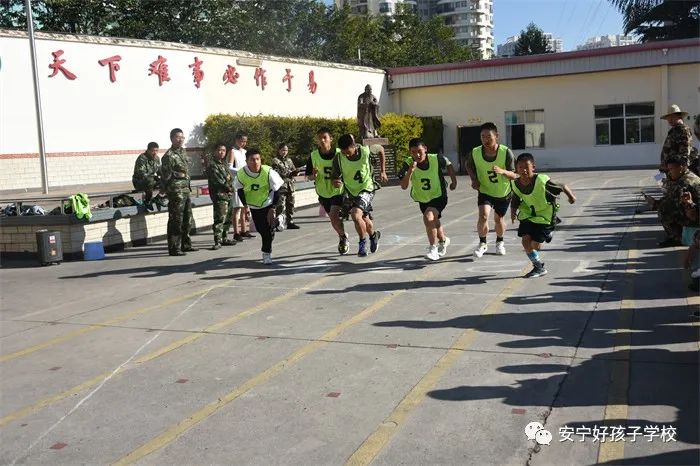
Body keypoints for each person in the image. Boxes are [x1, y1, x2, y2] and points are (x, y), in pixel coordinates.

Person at [498, 153, 576, 278]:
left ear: (533, 167)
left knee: (535, 245)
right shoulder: (515, 184)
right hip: (528, 214)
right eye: (520, 167)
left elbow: (562, 186)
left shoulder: (542, 181)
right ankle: (538, 267)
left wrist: (571, 197)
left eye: (526, 167)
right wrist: (513, 212)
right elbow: (516, 198)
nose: (523, 170)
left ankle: (549, 231)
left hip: (545, 216)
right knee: (525, 242)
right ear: (516, 169)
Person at [399, 138, 457, 260]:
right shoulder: (408, 163)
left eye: (419, 151)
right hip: (423, 199)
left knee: (428, 217)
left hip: (438, 196)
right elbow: (404, 186)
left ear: (425, 149)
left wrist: (454, 181)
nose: (417, 155)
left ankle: (433, 249)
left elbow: (448, 164)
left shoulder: (435, 158)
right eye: (413, 152)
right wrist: (410, 171)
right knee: (433, 221)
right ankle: (443, 240)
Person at [466, 122, 516, 258]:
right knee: (483, 216)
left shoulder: (505, 152)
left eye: (489, 136)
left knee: (499, 219)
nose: (485, 140)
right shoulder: (475, 152)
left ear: (496, 136)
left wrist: (503, 171)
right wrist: (474, 179)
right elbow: (468, 164)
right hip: (485, 191)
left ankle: (500, 242)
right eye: (482, 137)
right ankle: (483, 243)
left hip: (502, 192)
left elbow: (514, 175)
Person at [332, 134, 387, 257]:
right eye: (343, 152)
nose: (346, 154)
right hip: (351, 192)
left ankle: (362, 244)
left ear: (354, 146)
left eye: (348, 151)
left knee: (356, 215)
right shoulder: (339, 158)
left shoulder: (366, 150)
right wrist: (336, 182)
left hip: (366, 188)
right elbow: (334, 177)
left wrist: (383, 171)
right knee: (364, 219)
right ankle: (373, 235)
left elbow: (381, 150)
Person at [234, 148, 284, 265]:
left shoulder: (268, 172)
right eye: (252, 160)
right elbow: (240, 190)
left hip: (268, 203)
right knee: (262, 230)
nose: (255, 162)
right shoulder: (241, 174)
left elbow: (277, 191)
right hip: (254, 206)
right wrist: (245, 206)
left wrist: (273, 208)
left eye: (258, 159)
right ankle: (277, 222)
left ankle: (266, 253)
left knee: (266, 232)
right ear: (246, 161)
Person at [305, 127, 349, 254]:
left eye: (325, 137)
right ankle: (342, 235)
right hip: (323, 192)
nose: (322, 140)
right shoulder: (313, 156)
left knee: (334, 216)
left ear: (331, 139)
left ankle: (343, 239)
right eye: (320, 138)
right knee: (334, 220)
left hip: (338, 191)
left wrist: (342, 180)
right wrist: (313, 176)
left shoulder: (340, 153)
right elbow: (308, 176)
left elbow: (349, 169)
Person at [644, 154, 700, 247]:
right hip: (694, 211)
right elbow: (671, 196)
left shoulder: (685, 182)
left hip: (696, 215)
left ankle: (676, 238)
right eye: (668, 169)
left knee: (664, 210)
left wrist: (655, 203)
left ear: (681, 167)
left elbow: (673, 203)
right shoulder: (686, 175)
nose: (669, 172)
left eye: (671, 169)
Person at [160, 128, 198, 256]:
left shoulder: (182, 152)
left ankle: (186, 245)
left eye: (182, 137)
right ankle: (174, 248)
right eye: (177, 137)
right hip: (176, 191)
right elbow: (165, 176)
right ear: (171, 138)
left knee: (187, 219)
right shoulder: (168, 156)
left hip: (186, 190)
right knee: (176, 220)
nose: (180, 140)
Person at [207, 143, 237, 250]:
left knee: (228, 218)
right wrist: (229, 188)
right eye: (219, 150)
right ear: (215, 151)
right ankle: (217, 241)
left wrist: (231, 188)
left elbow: (230, 179)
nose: (222, 152)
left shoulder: (224, 164)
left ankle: (225, 238)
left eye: (224, 150)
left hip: (228, 195)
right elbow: (218, 181)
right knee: (220, 219)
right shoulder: (212, 165)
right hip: (219, 195)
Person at [228, 131, 255, 242]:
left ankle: (244, 230)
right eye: (241, 141)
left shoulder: (245, 152)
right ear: (236, 140)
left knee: (245, 207)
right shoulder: (232, 151)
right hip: (237, 182)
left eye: (245, 141)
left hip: (246, 183)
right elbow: (229, 168)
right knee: (237, 208)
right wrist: (241, 171)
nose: (243, 143)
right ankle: (236, 232)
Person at [660, 104, 698, 176]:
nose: (669, 120)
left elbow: (685, 151)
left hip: (677, 169)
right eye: (668, 118)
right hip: (669, 168)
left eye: (672, 117)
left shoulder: (683, 130)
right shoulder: (674, 130)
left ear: (679, 116)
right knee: (662, 181)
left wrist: (681, 168)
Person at [271, 143, 300, 230]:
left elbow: (293, 169)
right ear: (279, 150)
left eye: (286, 150)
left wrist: (296, 172)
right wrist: (288, 173)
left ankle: (290, 222)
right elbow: (275, 173)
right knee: (280, 205)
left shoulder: (289, 160)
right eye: (283, 150)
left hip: (290, 185)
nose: (284, 152)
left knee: (290, 204)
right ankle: (278, 223)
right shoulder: (275, 161)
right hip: (281, 186)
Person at [132, 142, 165, 210]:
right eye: (153, 151)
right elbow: (142, 174)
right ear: (148, 150)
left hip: (151, 181)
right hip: (139, 181)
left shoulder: (156, 158)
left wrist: (164, 176)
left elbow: (159, 171)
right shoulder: (142, 158)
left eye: (156, 151)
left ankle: (158, 197)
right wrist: (154, 177)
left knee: (167, 180)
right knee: (150, 180)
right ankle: (147, 201)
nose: (155, 153)